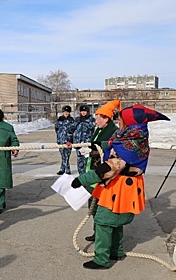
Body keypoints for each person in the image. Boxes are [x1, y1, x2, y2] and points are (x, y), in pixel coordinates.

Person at [71, 103, 169, 269]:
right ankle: (116, 251)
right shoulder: (133, 135)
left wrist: (83, 179)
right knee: (115, 221)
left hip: (120, 186)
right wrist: (94, 147)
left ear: (130, 121)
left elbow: (110, 167)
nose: (119, 121)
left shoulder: (131, 143)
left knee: (104, 221)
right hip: (122, 185)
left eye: (121, 118)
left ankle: (101, 259)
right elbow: (113, 143)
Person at [83, 100, 120, 242]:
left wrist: (92, 152)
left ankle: (102, 234)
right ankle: (96, 231)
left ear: (106, 118)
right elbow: (95, 145)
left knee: (100, 204)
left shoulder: (113, 132)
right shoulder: (100, 129)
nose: (96, 122)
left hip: (103, 172)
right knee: (93, 203)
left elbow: (110, 151)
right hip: (93, 168)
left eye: (98, 119)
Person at [73, 105, 95, 175]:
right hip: (78, 143)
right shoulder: (77, 119)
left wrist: (85, 122)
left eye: (85, 111)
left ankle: (86, 177)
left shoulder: (91, 119)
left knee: (86, 161)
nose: (83, 113)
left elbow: (92, 127)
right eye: (82, 111)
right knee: (80, 161)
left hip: (87, 144)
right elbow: (72, 128)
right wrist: (77, 122)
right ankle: (81, 176)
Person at [55, 105, 75, 175]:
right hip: (61, 140)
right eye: (65, 112)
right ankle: (63, 169)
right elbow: (56, 129)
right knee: (63, 155)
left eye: (67, 112)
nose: (66, 113)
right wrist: (59, 137)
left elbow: (73, 130)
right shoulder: (59, 120)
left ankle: (67, 169)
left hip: (68, 140)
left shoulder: (71, 120)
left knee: (67, 155)